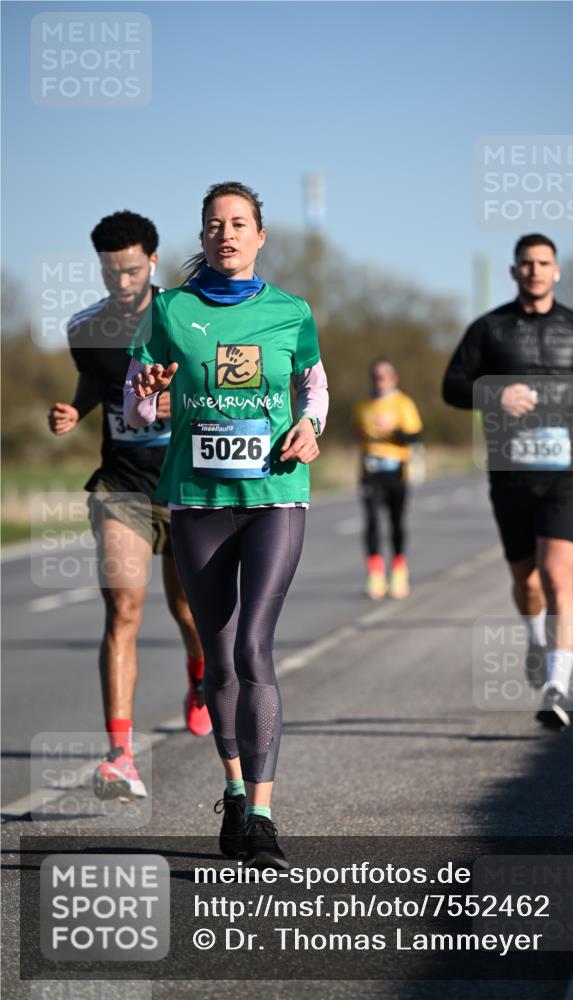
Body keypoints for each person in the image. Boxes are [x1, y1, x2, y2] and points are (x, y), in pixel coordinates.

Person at [124, 182, 328, 868]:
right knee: (217, 658)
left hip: (274, 493)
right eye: (214, 225)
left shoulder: (291, 312)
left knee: (252, 647)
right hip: (197, 499)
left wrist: (311, 424)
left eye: (239, 224)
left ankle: (264, 815)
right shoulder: (169, 311)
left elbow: (313, 387)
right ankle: (235, 792)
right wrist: (148, 397)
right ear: (203, 236)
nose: (226, 234)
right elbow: (137, 410)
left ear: (260, 236)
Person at [48, 210, 207, 803]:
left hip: (186, 486)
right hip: (121, 486)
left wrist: (180, 407)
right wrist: (74, 410)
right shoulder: (85, 328)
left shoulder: (187, 316)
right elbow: (95, 382)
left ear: (153, 263)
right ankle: (120, 756)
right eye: (112, 271)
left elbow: (217, 385)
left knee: (189, 613)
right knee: (123, 610)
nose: (122, 281)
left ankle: (199, 676)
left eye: (133, 270)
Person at [443, 234, 573, 731]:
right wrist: (493, 395)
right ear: (514, 271)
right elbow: (452, 386)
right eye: (527, 263)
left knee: (556, 577)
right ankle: (534, 637)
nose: (535, 271)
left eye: (544, 263)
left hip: (569, 469)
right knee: (526, 580)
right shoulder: (489, 328)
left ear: (556, 271)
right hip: (512, 470)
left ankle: (556, 686)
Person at [352, 359, 423, 599]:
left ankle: (399, 571)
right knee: (371, 521)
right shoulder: (363, 405)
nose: (378, 380)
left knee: (396, 522)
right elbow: (358, 434)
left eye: (383, 376)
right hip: (370, 472)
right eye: (375, 375)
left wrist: (393, 431)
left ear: (393, 379)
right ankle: (375, 575)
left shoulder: (403, 403)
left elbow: (414, 436)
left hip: (396, 472)